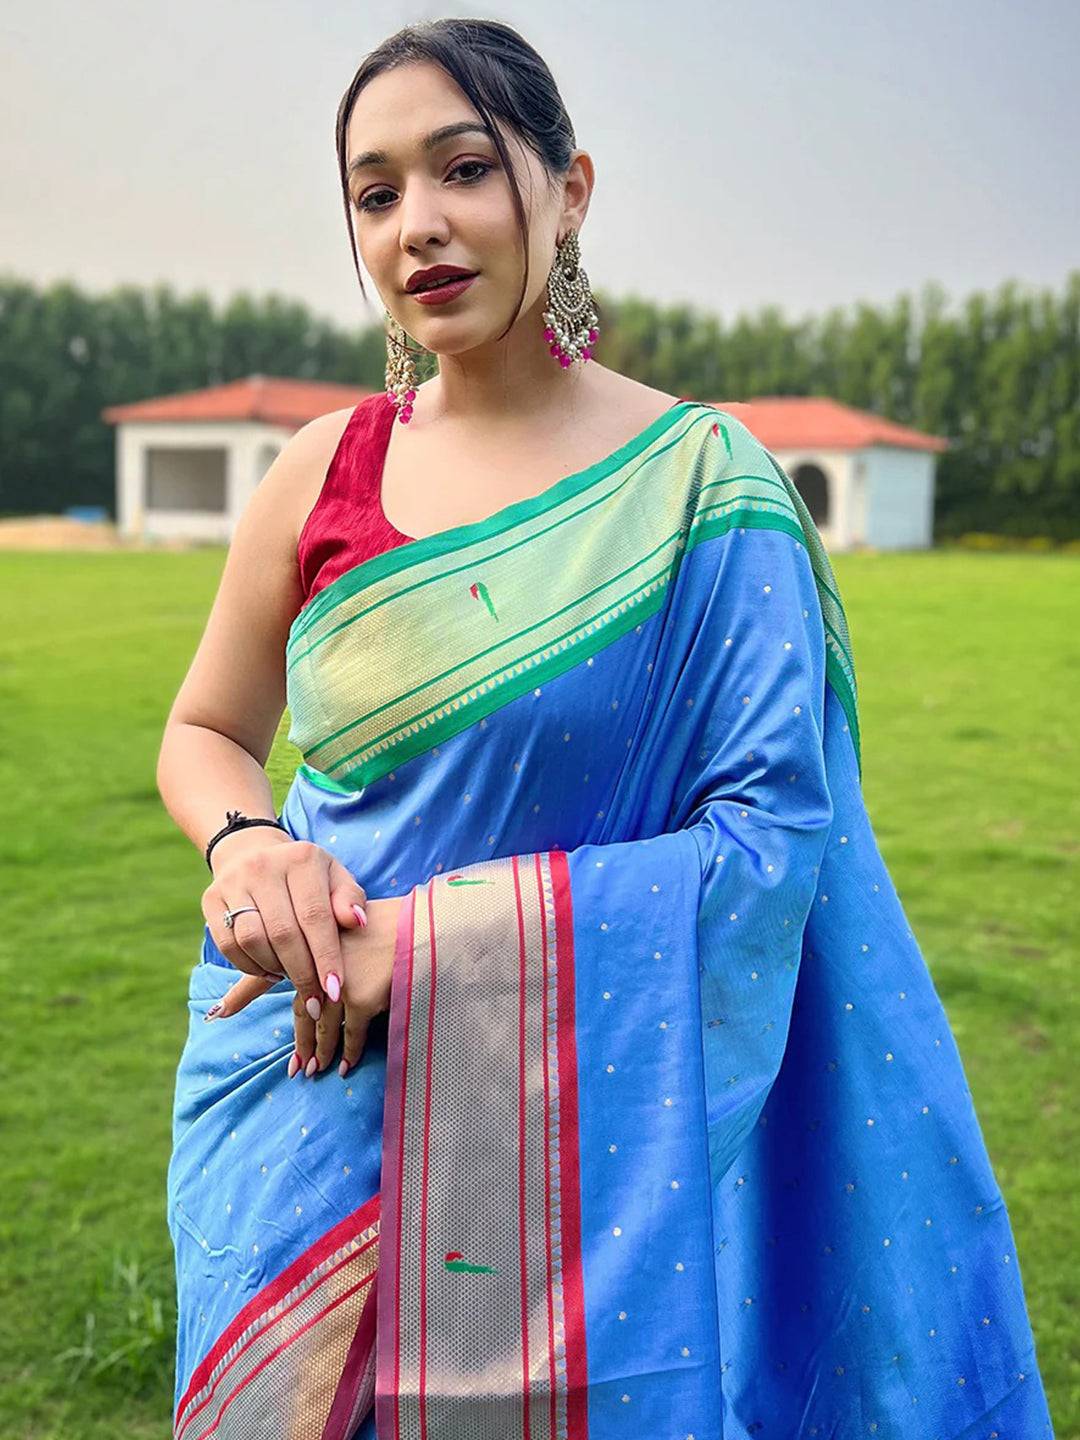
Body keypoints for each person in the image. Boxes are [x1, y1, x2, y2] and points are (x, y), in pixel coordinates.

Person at [159, 18, 1054, 1440]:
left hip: (574, 1129)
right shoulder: (319, 472)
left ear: (569, 188)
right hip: (297, 1112)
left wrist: (431, 947)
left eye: (465, 168)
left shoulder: (706, 484)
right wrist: (248, 835)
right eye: (376, 192)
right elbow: (207, 727)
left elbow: (771, 845)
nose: (421, 227)